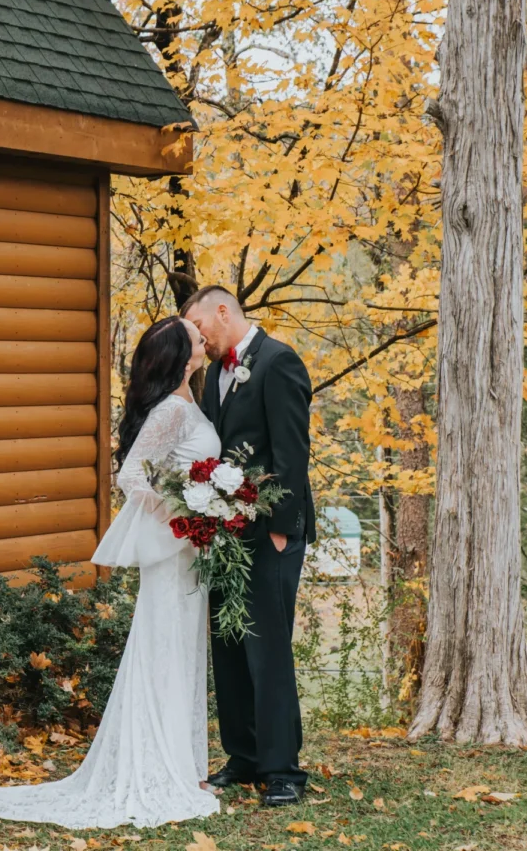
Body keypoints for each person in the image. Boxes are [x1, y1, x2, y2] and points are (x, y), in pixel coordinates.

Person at [0, 315, 220, 828]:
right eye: (196, 337)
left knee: (185, 648)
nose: (204, 338)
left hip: (193, 552)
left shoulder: (191, 399)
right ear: (181, 353)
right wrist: (181, 512)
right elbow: (131, 473)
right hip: (175, 552)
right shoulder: (171, 408)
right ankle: (159, 767)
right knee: (165, 645)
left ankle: (185, 763)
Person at [182, 285, 314, 808]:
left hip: (271, 535)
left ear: (222, 311)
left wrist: (280, 528)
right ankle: (243, 755)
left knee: (268, 652)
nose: (199, 337)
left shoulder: (279, 362)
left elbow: (291, 448)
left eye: (200, 326)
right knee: (230, 645)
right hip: (224, 533)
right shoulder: (215, 372)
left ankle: (282, 770)